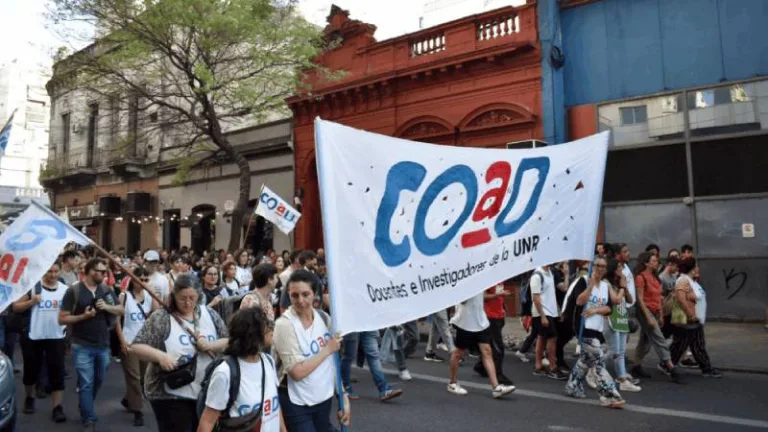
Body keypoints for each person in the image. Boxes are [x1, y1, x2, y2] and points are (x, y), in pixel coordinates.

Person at [131, 274, 229, 432]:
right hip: (170, 393)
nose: (188, 302)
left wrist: (210, 345)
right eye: (183, 298)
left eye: (192, 297)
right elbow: (136, 347)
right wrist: (160, 356)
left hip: (204, 390)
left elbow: (229, 341)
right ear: (174, 295)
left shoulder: (209, 314)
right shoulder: (162, 317)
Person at [272, 270, 350, 431]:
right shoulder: (284, 325)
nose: (300, 300)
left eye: (305, 294)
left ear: (315, 294)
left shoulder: (324, 318)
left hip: (323, 398)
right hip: (296, 402)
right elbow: (296, 372)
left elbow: (332, 362)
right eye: (294, 295)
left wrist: (343, 395)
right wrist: (326, 350)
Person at [58, 258, 124, 430]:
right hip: (81, 345)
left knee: (98, 379)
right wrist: (83, 317)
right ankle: (89, 417)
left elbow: (120, 310)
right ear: (88, 272)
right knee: (87, 382)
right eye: (99, 271)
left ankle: (85, 403)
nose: (103, 274)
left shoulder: (106, 290)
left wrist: (107, 307)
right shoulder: (75, 291)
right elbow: (62, 318)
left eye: (105, 272)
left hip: (103, 344)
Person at [198, 307, 286, 432]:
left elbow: (273, 405)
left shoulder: (268, 361)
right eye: (265, 324)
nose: (271, 327)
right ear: (253, 333)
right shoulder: (225, 372)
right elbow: (207, 421)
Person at [565, 256, 626, 408]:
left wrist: (596, 310)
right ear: (592, 266)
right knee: (598, 362)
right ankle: (609, 396)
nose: (600, 269)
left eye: (603, 266)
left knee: (586, 360)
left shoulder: (605, 286)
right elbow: (579, 300)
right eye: (597, 265)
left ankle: (572, 386)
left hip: (597, 328)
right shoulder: (583, 281)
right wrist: (590, 286)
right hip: (584, 328)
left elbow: (609, 308)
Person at [14, 262, 68, 423]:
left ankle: (57, 407)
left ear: (60, 271)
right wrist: (32, 302)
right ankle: (29, 397)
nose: (52, 275)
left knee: (57, 372)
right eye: (49, 271)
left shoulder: (65, 290)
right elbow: (16, 307)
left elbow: (70, 311)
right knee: (31, 371)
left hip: (56, 336)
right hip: (33, 335)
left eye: (55, 271)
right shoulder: (33, 287)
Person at [446, 291, 516, 397]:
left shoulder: (478, 279)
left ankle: (496, 387)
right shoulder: (463, 280)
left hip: (480, 321)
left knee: (487, 351)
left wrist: (496, 295)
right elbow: (462, 301)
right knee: (458, 353)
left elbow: (481, 296)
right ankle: (452, 383)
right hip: (465, 322)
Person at [116, 267, 160, 427]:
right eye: (139, 279)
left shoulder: (149, 297)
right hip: (130, 343)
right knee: (134, 378)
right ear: (132, 280)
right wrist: (122, 342)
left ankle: (128, 400)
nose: (142, 282)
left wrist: (153, 293)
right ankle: (137, 411)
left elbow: (157, 314)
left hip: (145, 344)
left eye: (145, 279)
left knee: (143, 378)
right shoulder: (124, 297)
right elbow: (117, 322)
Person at [632, 252, 682, 383]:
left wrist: (660, 315)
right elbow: (640, 299)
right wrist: (648, 317)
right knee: (659, 338)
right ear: (646, 263)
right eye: (654, 261)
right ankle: (671, 367)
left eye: (657, 261)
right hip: (645, 311)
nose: (657, 263)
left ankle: (636, 365)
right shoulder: (640, 277)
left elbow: (658, 298)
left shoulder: (655, 278)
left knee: (645, 341)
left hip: (655, 311)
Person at [671, 258, 722, 378]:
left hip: (695, 320)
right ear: (692, 268)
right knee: (680, 345)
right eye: (696, 266)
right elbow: (681, 299)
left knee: (697, 344)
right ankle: (668, 364)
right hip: (688, 321)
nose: (698, 268)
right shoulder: (683, 280)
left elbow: (693, 296)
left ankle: (706, 368)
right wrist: (690, 315)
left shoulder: (691, 281)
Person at [602, 259, 641, 392]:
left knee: (622, 352)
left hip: (621, 318)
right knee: (614, 352)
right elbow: (616, 300)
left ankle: (622, 379)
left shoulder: (619, 283)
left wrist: (624, 287)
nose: (621, 270)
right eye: (619, 267)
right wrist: (623, 287)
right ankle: (594, 365)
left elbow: (630, 300)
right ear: (613, 269)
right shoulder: (606, 283)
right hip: (610, 320)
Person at [531, 264, 568, 380]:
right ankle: (553, 368)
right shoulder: (537, 276)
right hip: (542, 312)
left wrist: (557, 310)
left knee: (542, 337)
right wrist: (542, 316)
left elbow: (551, 294)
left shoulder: (550, 273)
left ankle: (538, 366)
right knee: (552, 338)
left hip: (550, 312)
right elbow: (536, 298)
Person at [472, 283, 513, 384]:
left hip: (499, 316)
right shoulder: (489, 279)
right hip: (490, 316)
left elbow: (499, 296)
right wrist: (498, 295)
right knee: (498, 347)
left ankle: (480, 366)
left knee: (489, 344)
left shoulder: (501, 279)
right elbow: (483, 296)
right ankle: (498, 375)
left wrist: (503, 306)